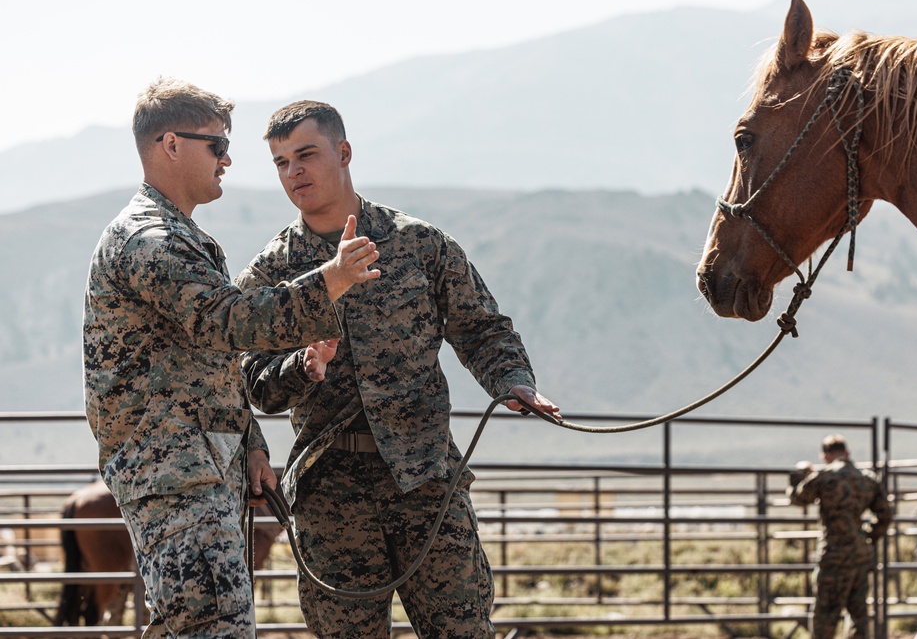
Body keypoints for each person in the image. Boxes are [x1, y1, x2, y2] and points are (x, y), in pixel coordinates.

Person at [237, 100, 562, 638]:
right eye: (281, 162)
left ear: (343, 153)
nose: (294, 173)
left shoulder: (420, 244)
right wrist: (302, 367)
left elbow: (482, 328)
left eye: (306, 155)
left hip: (427, 481)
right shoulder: (273, 273)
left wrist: (513, 382)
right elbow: (254, 384)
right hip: (330, 494)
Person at [82, 78, 380, 638]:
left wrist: (250, 445)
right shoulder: (150, 239)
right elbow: (226, 321)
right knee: (209, 623)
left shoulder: (179, 236)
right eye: (216, 145)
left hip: (198, 466)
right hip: (174, 471)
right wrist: (332, 280)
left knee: (202, 623)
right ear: (171, 145)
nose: (227, 159)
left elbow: (209, 366)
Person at [787, 434, 893, 639]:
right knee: (858, 614)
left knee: (825, 615)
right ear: (847, 453)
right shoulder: (867, 478)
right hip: (860, 555)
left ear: (825, 455)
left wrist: (799, 477)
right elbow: (885, 515)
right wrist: (868, 537)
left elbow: (798, 498)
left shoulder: (824, 477)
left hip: (833, 555)